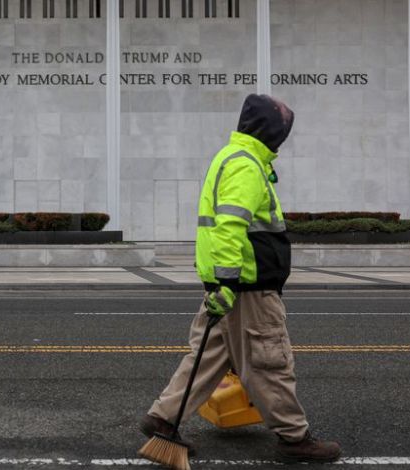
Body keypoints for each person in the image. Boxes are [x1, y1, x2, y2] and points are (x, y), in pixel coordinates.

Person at [139, 94, 342, 463]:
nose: (284, 136)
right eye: (282, 129)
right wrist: (229, 282)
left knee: (207, 357)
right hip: (247, 288)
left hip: (230, 286)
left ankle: (163, 418)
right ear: (270, 130)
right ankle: (294, 437)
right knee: (269, 360)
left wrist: (221, 283)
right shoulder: (247, 165)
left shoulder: (231, 157)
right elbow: (230, 226)